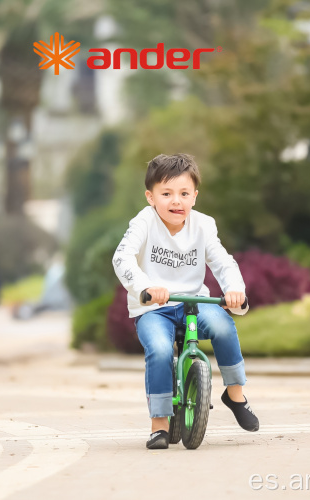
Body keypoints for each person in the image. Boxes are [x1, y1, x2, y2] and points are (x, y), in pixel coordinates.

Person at [112, 153, 259, 449]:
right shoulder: (144, 222)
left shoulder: (203, 225)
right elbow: (122, 257)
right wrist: (146, 287)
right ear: (150, 197)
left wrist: (234, 290)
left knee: (223, 327)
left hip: (194, 302)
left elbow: (223, 262)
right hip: (154, 307)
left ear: (194, 197)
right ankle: (159, 425)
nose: (175, 201)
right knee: (160, 349)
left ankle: (235, 394)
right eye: (166, 194)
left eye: (183, 194)